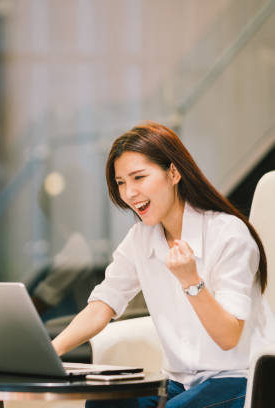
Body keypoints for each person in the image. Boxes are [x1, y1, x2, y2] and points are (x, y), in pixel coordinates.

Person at [51, 121, 275, 408]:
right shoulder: (141, 238)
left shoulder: (228, 234)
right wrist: (50, 352)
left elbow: (229, 336)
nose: (129, 193)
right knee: (103, 404)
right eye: (121, 182)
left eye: (139, 177)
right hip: (178, 383)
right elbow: (102, 305)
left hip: (240, 380)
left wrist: (191, 280)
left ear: (173, 172)